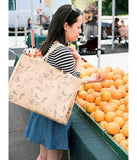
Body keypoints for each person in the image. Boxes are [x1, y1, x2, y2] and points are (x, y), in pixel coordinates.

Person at [24, 4, 105, 160]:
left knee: (43, 155)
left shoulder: (51, 45)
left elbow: (61, 79)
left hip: (43, 107)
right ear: (66, 25)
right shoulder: (63, 51)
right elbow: (71, 85)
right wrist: (78, 60)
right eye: (78, 27)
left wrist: (89, 80)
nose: (80, 31)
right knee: (54, 156)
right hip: (54, 113)